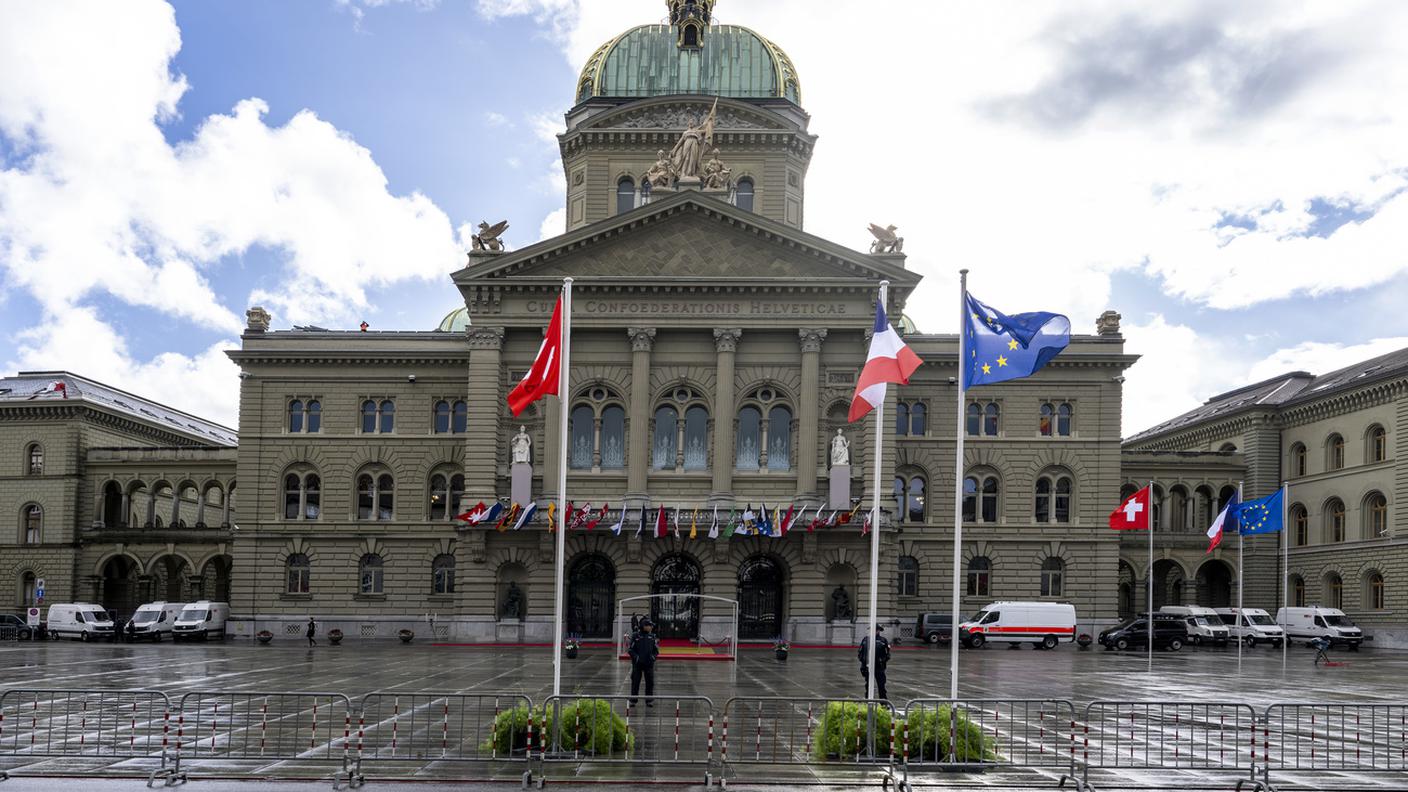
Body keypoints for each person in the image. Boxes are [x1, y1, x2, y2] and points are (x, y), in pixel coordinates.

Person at [627, 617, 660, 707]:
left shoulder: (652, 637)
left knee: (650, 682)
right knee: (635, 681)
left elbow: (656, 650)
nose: (651, 627)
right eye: (649, 625)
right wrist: (636, 658)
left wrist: (653, 657)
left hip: (649, 664)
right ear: (644, 626)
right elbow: (630, 650)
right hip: (637, 664)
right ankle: (633, 700)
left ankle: (649, 700)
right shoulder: (636, 636)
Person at [858, 625, 891, 700]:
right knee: (868, 687)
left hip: (879, 668)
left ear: (879, 631)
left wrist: (881, 661)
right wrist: (863, 661)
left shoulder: (883, 640)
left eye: (876, 630)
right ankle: (867, 702)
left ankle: (883, 704)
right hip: (868, 667)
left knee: (881, 686)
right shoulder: (865, 640)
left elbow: (887, 655)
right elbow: (860, 652)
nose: (874, 631)